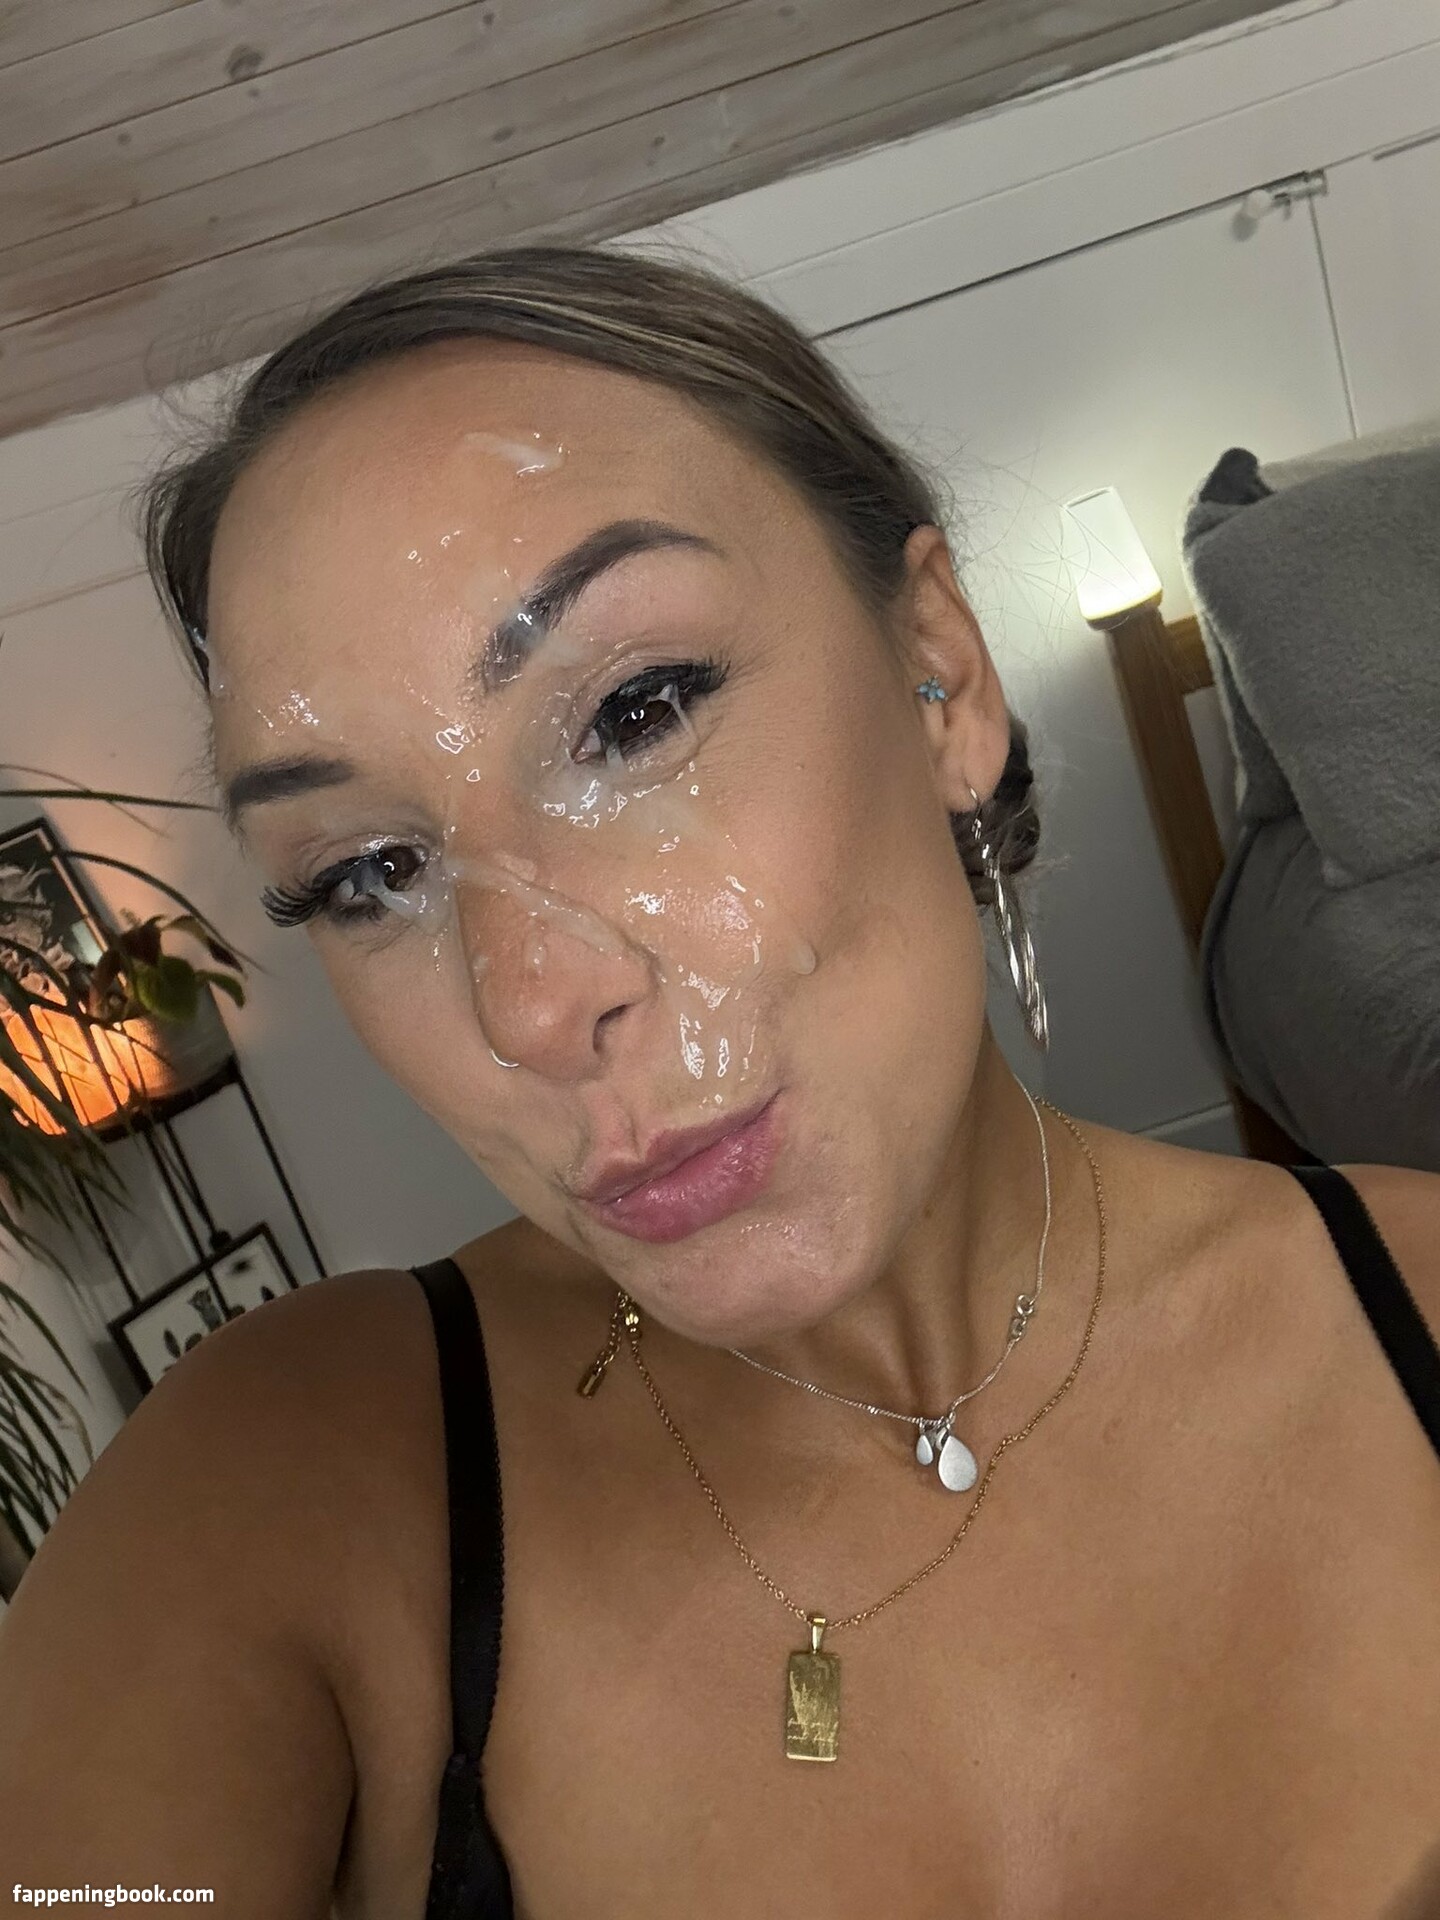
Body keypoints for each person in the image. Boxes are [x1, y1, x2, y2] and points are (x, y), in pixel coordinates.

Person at [2, 246, 1438, 1920]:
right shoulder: (287, 1483)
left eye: (636, 712)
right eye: (367, 873)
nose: (532, 1005)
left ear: (942, 678)